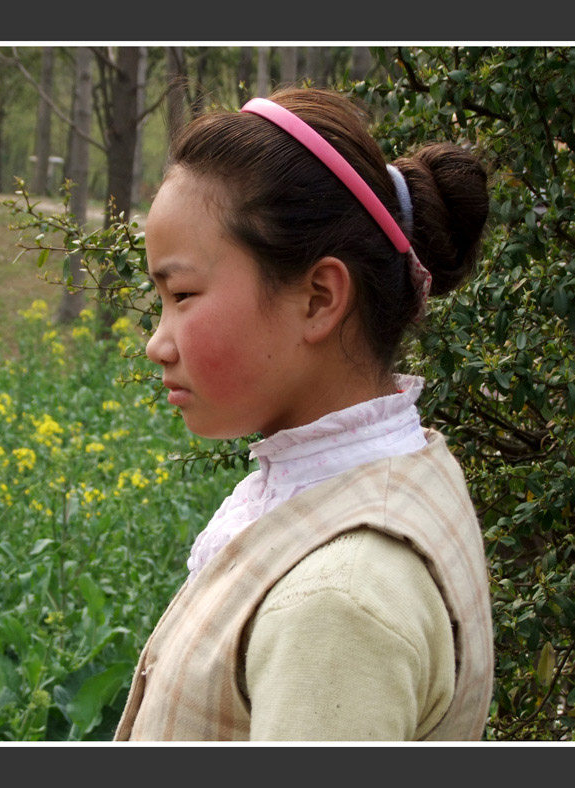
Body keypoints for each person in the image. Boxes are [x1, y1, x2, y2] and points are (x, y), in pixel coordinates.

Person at [114, 89, 494, 741]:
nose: (157, 342)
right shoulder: (400, 468)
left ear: (319, 298)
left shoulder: (337, 603)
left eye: (181, 295)